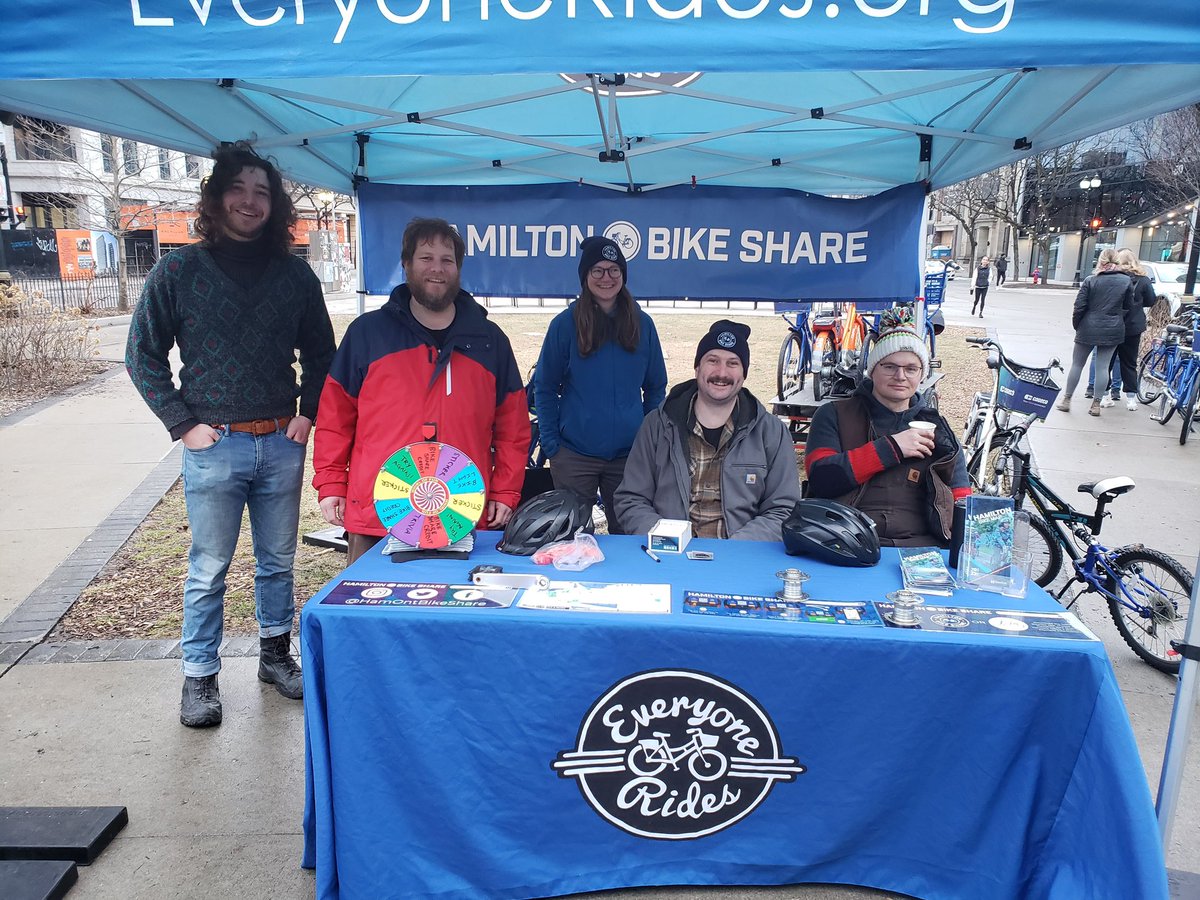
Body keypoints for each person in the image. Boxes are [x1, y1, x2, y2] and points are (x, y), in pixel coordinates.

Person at [125, 142, 336, 728]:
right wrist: (183, 424)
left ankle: (274, 655)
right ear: (216, 199)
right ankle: (200, 677)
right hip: (214, 444)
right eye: (238, 190)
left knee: (278, 560)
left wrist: (308, 413)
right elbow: (141, 354)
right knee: (209, 564)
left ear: (274, 206)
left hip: (280, 442)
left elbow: (323, 353)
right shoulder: (179, 271)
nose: (250, 201)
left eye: (261, 192)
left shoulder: (295, 275)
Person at [313, 217, 529, 564]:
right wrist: (331, 483)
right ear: (406, 264)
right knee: (370, 613)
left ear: (458, 268)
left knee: (459, 611)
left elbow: (513, 429)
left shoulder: (490, 341)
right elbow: (335, 418)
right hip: (379, 515)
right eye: (426, 258)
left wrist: (505, 489)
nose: (437, 269)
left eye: (447, 260)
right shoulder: (367, 334)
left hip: (462, 514)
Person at [614, 320, 801, 540]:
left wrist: (739, 547)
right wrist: (666, 539)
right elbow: (631, 499)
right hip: (670, 556)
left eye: (733, 363)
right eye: (713, 361)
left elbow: (783, 508)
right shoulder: (657, 425)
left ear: (744, 374)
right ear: (697, 368)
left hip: (740, 558)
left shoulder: (771, 432)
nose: (721, 373)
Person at [533, 236, 667, 534]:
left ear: (623, 275)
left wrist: (646, 437)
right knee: (573, 538)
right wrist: (553, 445)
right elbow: (544, 387)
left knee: (631, 537)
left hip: (628, 458)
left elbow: (657, 386)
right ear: (585, 276)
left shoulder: (642, 325)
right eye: (598, 270)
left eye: (614, 270)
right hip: (573, 455)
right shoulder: (564, 325)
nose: (606, 277)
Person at [805, 309, 970, 548]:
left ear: (921, 374)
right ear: (872, 370)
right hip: (845, 542)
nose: (900, 376)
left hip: (921, 549)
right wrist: (892, 448)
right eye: (890, 366)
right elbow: (822, 479)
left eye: (911, 369)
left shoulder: (938, 429)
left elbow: (962, 501)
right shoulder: (833, 415)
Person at [1056, 248, 1132, 417]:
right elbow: (1128, 306)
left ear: (1101, 261)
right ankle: (1096, 404)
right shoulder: (1125, 281)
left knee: (1077, 364)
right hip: (1113, 327)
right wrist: (1117, 318)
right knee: (1103, 367)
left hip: (1088, 325)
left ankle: (1067, 399)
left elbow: (1079, 306)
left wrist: (1078, 324)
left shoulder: (1091, 280)